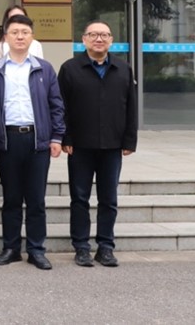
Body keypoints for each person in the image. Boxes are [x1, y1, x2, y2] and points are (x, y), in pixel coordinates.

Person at [0, 14, 66, 271]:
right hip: (7, 139)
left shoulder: (44, 68)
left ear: (32, 37)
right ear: (5, 37)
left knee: (36, 199)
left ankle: (36, 249)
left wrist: (57, 137)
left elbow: (56, 105)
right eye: (14, 32)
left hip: (37, 139)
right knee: (11, 197)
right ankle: (10, 248)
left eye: (25, 32)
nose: (20, 37)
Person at [59, 20, 138, 268]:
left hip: (112, 146)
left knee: (108, 199)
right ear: (84, 39)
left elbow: (131, 107)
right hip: (80, 146)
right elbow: (62, 107)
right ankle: (81, 247)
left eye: (104, 35)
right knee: (79, 198)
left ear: (111, 40)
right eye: (93, 35)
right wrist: (65, 137)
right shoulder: (70, 69)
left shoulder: (123, 69)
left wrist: (129, 140)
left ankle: (106, 247)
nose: (99, 39)